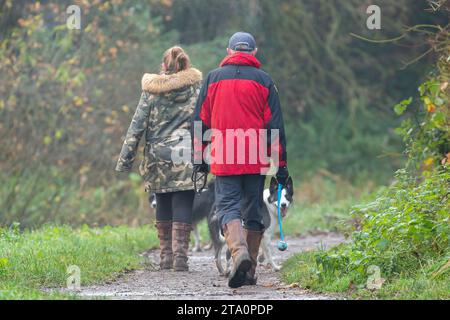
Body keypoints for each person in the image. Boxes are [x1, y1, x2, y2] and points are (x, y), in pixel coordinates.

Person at [192, 32, 289, 288]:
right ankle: (249, 270)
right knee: (253, 209)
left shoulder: (212, 79)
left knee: (227, 207)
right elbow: (275, 127)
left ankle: (239, 253)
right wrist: (281, 166)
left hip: (224, 156)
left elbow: (200, 122)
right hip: (255, 157)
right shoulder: (265, 81)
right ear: (254, 52)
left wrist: (199, 158)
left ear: (228, 51)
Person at [116, 46, 202, 271]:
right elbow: (204, 123)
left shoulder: (152, 91)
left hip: (158, 156)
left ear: (164, 66)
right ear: (186, 65)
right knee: (183, 200)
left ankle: (165, 257)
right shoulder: (196, 90)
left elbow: (136, 127)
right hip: (186, 154)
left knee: (162, 200)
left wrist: (125, 159)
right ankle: (181, 257)